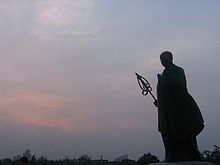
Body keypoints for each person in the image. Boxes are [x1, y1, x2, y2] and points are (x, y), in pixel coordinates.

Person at [155, 51, 204, 162]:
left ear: (171, 58)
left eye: (164, 59)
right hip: (167, 111)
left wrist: (163, 83)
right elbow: (165, 94)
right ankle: (171, 156)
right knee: (167, 133)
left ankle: (192, 156)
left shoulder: (178, 70)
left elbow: (179, 84)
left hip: (179, 110)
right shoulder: (164, 73)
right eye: (161, 60)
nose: (162, 61)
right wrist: (159, 102)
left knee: (183, 134)